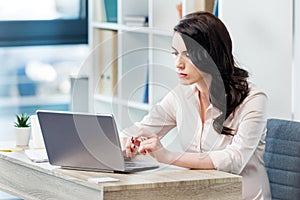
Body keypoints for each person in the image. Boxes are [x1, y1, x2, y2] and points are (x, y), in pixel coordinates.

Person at [120, 11, 271, 200]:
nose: (178, 64)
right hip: (199, 194)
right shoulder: (180, 96)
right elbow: (141, 129)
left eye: (188, 54)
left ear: (211, 55)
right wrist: (127, 141)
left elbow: (234, 161)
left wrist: (168, 156)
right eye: (175, 53)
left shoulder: (253, 99)